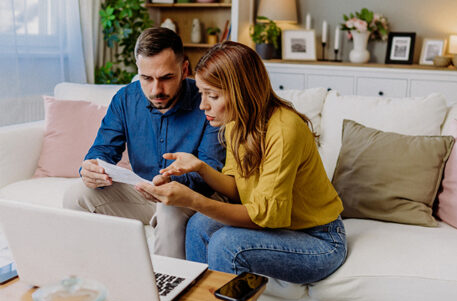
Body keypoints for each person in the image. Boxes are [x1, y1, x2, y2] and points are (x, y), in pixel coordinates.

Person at [135, 41, 347, 284]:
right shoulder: (235, 124)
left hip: (320, 240)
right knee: (198, 226)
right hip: (280, 229)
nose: (203, 105)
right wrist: (201, 167)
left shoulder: (284, 130)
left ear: (241, 91)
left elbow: (264, 216)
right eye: (202, 94)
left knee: (227, 245)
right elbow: (239, 189)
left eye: (212, 96)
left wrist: (193, 200)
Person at [63, 27, 225, 259]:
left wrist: (169, 183)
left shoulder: (207, 101)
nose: (156, 90)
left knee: (169, 208)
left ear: (184, 69)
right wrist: (91, 169)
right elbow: (103, 150)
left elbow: (210, 172)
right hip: (145, 192)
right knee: (77, 194)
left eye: (166, 78)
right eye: (146, 78)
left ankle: (167, 289)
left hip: (195, 196)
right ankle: (95, 278)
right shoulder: (125, 98)